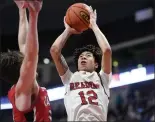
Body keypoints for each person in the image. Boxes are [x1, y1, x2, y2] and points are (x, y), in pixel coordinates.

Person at [50, 5, 112, 121]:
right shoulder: (70, 78)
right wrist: (67, 30)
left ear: (96, 64)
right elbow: (54, 51)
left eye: (88, 56)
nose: (83, 57)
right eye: (81, 56)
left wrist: (93, 25)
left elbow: (107, 50)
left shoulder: (103, 78)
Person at [0, 0, 52, 121]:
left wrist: (22, 10)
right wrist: (34, 14)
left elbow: (24, 43)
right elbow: (30, 57)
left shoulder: (24, 85)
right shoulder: (23, 89)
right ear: (22, 71)